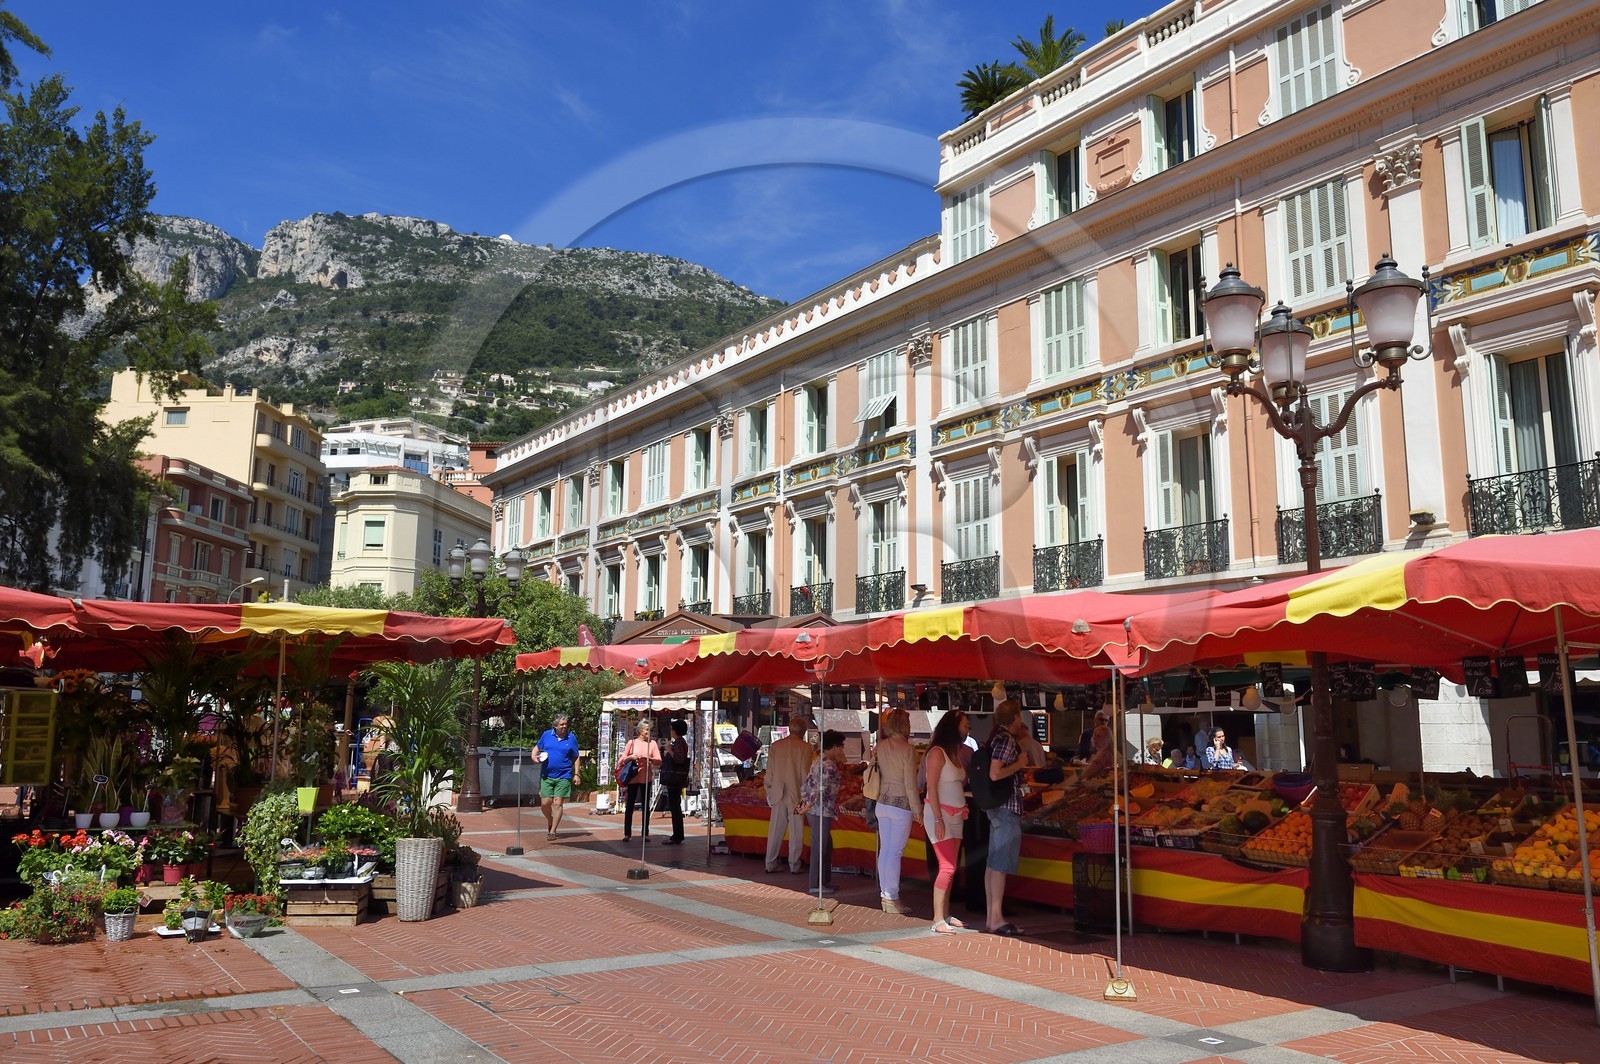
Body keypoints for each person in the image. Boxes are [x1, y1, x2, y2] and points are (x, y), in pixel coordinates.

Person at [984, 699, 1030, 937]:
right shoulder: (1006, 740)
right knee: (1000, 865)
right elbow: (995, 773)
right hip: (1006, 807)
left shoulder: (995, 737)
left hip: (995, 808)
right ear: (1015, 718)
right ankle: (996, 918)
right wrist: (1020, 764)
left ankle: (992, 917)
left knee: (993, 865)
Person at [922, 709, 969, 935]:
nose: (968, 730)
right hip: (940, 816)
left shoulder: (954, 752)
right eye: (965, 725)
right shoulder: (937, 753)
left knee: (952, 867)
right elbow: (930, 787)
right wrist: (938, 818)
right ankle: (937, 918)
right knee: (948, 866)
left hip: (957, 815)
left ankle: (946, 914)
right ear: (954, 727)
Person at [872, 708, 920, 916]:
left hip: (882, 802)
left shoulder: (881, 746)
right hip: (901, 806)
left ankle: (886, 894)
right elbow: (911, 784)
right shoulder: (908, 750)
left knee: (885, 851)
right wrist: (917, 809)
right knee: (895, 852)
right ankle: (892, 897)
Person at [797, 730, 846, 896]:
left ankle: (824, 880)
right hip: (820, 810)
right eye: (841, 746)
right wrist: (808, 804)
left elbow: (807, 784)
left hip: (819, 810)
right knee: (820, 847)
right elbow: (819, 789)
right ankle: (815, 884)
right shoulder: (828, 765)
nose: (842, 750)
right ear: (833, 746)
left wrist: (805, 803)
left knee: (825, 844)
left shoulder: (819, 761)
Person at [764, 715, 812, 874]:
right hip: (796, 794)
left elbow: (769, 772)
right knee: (796, 830)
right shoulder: (805, 748)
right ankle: (794, 865)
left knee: (775, 830)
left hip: (777, 792)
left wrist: (769, 791)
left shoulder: (776, 746)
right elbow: (805, 774)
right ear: (803, 731)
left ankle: (770, 863)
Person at [535, 715, 581, 841]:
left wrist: (576, 774)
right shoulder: (546, 735)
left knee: (558, 803)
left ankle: (553, 830)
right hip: (547, 775)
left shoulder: (571, 738)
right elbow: (536, 748)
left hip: (564, 776)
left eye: (566, 724)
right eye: (562, 724)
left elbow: (576, 756)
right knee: (545, 802)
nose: (564, 726)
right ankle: (550, 819)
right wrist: (534, 757)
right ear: (555, 726)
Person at [620, 719, 661, 842]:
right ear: (640, 730)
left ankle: (645, 833)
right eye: (647, 729)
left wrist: (648, 759)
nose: (649, 732)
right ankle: (627, 833)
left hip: (646, 778)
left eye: (650, 730)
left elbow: (658, 760)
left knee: (645, 806)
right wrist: (630, 757)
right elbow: (622, 759)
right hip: (633, 778)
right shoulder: (631, 743)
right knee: (630, 806)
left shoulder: (652, 744)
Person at [659, 718, 691, 844]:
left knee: (675, 806)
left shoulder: (679, 742)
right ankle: (677, 834)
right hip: (676, 779)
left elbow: (679, 759)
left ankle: (677, 835)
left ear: (675, 730)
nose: (670, 731)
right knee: (675, 806)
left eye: (672, 729)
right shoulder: (680, 742)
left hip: (675, 779)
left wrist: (669, 750)